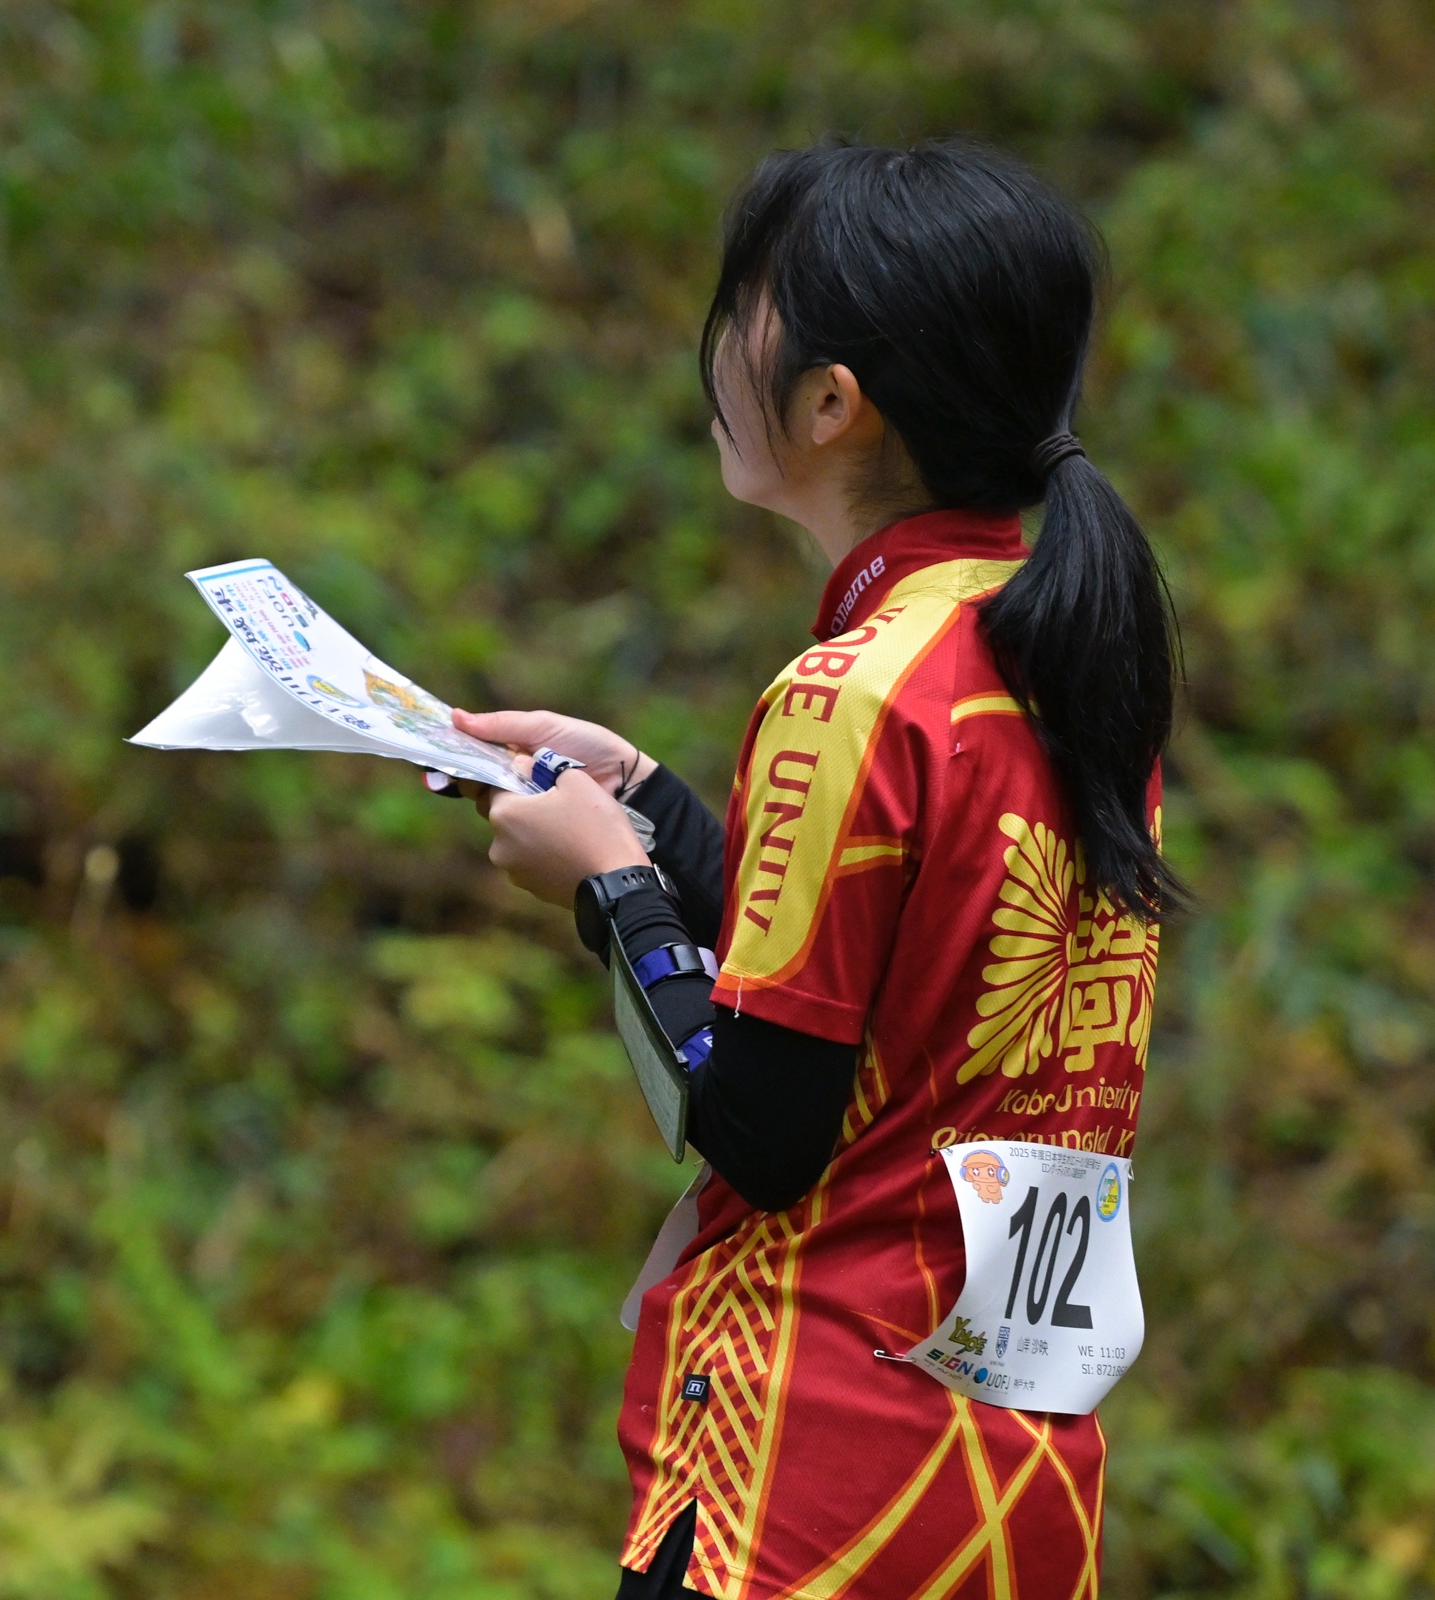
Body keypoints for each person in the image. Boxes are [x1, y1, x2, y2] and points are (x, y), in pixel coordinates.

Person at [453, 141, 1179, 1600]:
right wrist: (645, 802)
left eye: (747, 313)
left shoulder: (847, 691)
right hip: (1013, 1481)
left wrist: (610, 890)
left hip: (801, 1484)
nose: (721, 346)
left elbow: (759, 1124)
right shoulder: (1057, 656)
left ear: (833, 405)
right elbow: (883, 996)